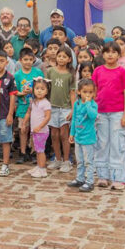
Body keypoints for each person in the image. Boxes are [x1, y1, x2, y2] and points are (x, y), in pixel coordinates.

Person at [92, 41, 125, 190]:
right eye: (107, 52)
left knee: (117, 144)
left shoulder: (122, 72)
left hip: (118, 113)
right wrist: (93, 110)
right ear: (103, 54)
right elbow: (94, 91)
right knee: (101, 144)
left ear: (118, 54)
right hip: (101, 113)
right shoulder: (97, 71)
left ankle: (119, 178)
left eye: (113, 52)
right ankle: (103, 176)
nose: (110, 54)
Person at [46, 45, 76, 173]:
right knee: (54, 134)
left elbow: (72, 93)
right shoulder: (51, 71)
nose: (61, 59)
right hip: (52, 107)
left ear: (69, 59)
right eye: (59, 56)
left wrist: (73, 110)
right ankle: (57, 159)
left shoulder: (71, 74)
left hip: (65, 108)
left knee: (64, 134)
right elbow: (47, 89)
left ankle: (66, 161)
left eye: (64, 57)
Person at [67, 78, 98, 192]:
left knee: (88, 161)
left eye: (90, 92)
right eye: (85, 92)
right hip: (78, 137)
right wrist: (72, 133)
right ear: (79, 92)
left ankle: (89, 181)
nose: (88, 95)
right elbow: (74, 119)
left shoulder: (93, 105)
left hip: (88, 138)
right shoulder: (77, 104)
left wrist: (88, 103)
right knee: (79, 160)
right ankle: (80, 178)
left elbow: (92, 116)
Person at [14, 48, 43, 164]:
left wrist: (33, 91)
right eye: (25, 59)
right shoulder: (17, 75)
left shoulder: (38, 73)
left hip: (36, 106)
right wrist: (22, 93)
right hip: (22, 106)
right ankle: (22, 152)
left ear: (34, 60)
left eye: (30, 59)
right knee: (23, 129)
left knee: (35, 130)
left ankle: (34, 152)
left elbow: (44, 88)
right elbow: (14, 91)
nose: (28, 62)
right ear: (20, 60)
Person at [25, 77, 52, 178]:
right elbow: (29, 112)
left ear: (47, 91)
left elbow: (47, 117)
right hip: (35, 130)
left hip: (42, 131)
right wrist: (24, 122)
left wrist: (40, 127)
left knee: (41, 151)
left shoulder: (46, 103)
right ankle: (38, 166)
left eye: (42, 89)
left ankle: (42, 169)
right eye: (37, 88)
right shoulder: (33, 101)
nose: (39, 91)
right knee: (37, 149)